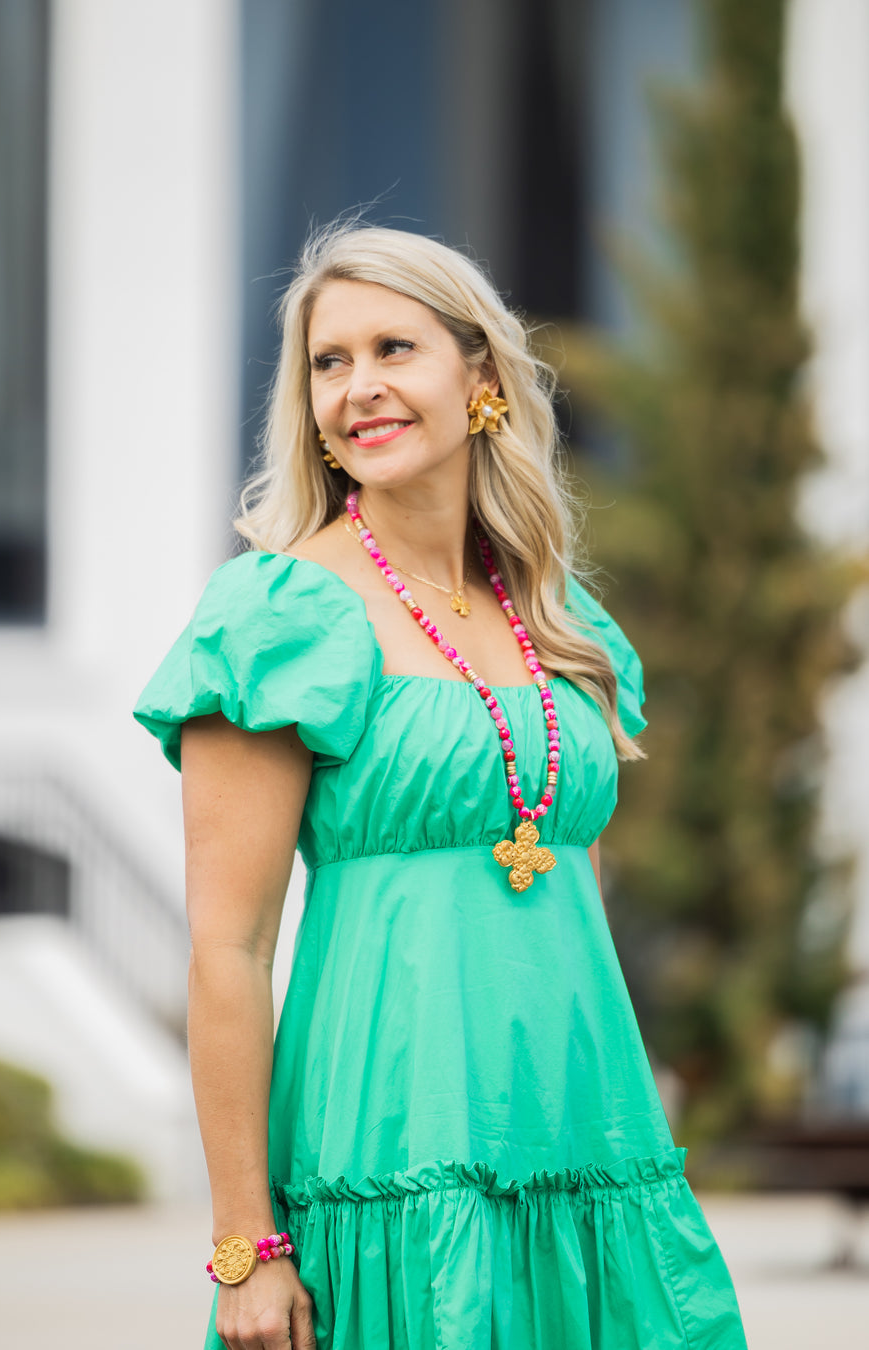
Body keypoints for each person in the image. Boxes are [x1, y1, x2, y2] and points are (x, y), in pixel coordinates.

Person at [134, 222, 749, 1350]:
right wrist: (246, 1249)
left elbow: (575, 907)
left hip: (589, 1149)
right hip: (393, 1149)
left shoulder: (565, 625)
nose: (357, 388)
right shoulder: (276, 618)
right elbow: (229, 951)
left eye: (392, 349)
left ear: (481, 377)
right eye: (329, 362)